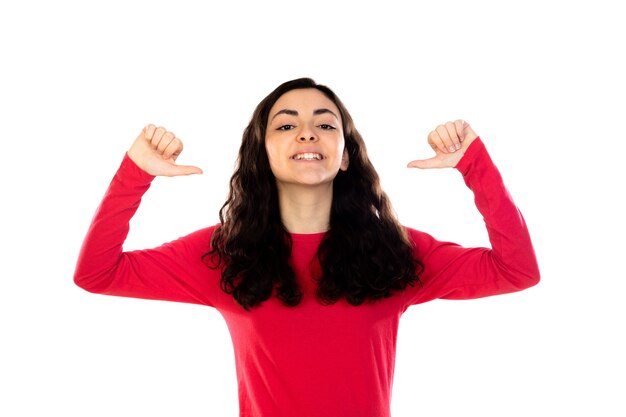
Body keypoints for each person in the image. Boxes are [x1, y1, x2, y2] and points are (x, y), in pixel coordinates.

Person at [74, 77, 540, 417]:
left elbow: (516, 270)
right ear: (262, 153)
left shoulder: (395, 251)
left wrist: (474, 165)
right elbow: (97, 273)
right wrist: (135, 173)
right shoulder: (224, 254)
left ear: (346, 155)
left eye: (325, 123)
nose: (306, 133)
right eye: (284, 125)